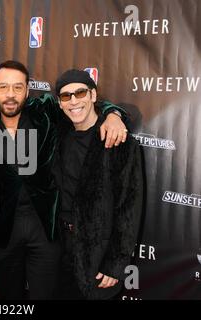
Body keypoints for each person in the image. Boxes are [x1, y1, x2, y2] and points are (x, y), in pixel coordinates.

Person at [0, 60, 128, 300]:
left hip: (46, 230)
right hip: (3, 233)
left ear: (27, 91)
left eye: (18, 88)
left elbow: (83, 102)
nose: (10, 94)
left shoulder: (44, 110)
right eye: (4, 87)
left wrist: (113, 113)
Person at [53, 69, 143, 299]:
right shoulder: (58, 134)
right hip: (59, 252)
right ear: (60, 103)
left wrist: (115, 263)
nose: (73, 101)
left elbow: (129, 208)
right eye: (66, 96)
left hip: (98, 255)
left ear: (93, 96)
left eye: (80, 93)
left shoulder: (119, 141)